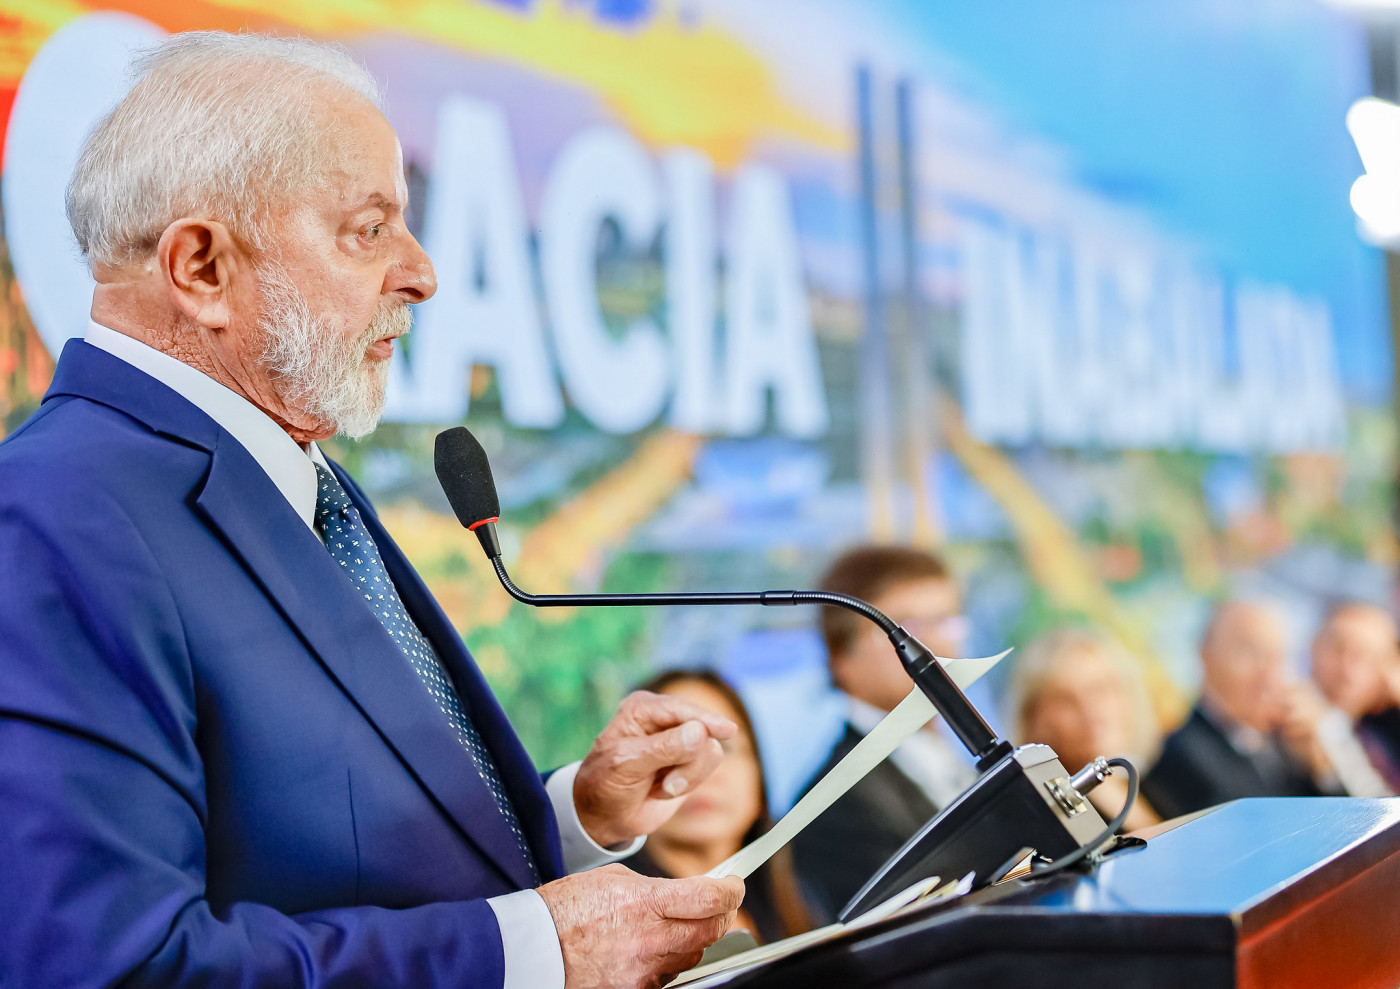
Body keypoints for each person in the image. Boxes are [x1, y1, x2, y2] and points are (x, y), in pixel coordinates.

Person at [0, 32, 744, 989]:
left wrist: (571, 817)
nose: (423, 271)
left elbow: (317, 845)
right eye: (369, 228)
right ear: (200, 268)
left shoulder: (293, 472)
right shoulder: (52, 517)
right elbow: (105, 966)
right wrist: (529, 952)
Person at [789, 545, 976, 923]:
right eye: (907, 630)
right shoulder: (835, 799)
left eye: (945, 622)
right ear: (840, 654)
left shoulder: (949, 759)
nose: (936, 646)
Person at [624, 670, 815, 944]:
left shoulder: (796, 900)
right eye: (676, 752)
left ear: (758, 773)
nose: (704, 773)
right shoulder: (614, 929)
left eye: (724, 748)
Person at [1141, 599, 1330, 820]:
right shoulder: (1179, 756)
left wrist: (1319, 765)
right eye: (1251, 652)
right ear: (1205, 655)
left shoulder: (1287, 741)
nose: (1268, 672)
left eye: (1277, 656)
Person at [1008, 627, 1161, 832]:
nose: (1090, 710)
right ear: (1033, 719)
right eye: (1066, 700)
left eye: (1100, 689)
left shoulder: (1155, 785)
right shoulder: (1048, 824)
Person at [1277, 602, 1400, 797]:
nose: (1347, 669)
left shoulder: (1377, 730)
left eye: (1364, 656)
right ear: (1314, 646)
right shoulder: (1285, 720)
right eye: (1338, 649)